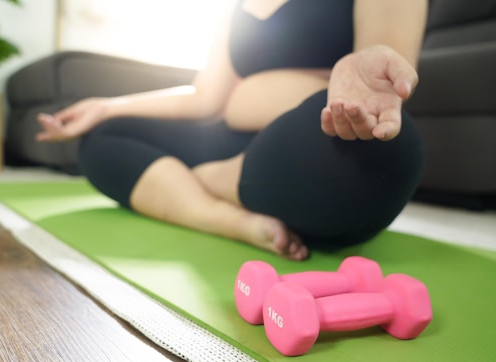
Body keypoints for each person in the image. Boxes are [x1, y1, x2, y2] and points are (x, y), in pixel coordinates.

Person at [36, 0, 428, 261]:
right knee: (102, 139)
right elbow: (206, 96)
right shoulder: (236, 7)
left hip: (305, 142)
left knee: (384, 153)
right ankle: (229, 219)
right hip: (230, 140)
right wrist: (106, 107)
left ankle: (195, 182)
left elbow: (382, 79)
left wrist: (348, 82)